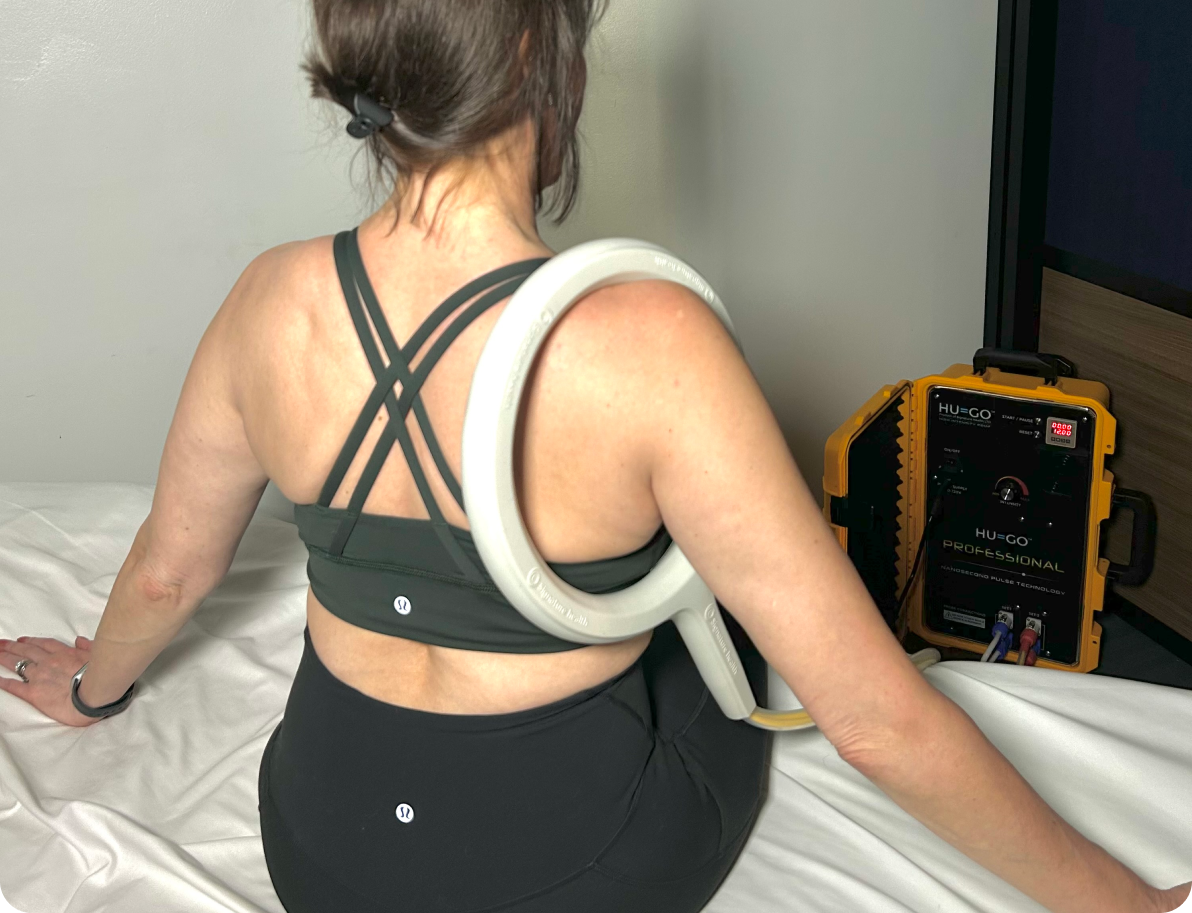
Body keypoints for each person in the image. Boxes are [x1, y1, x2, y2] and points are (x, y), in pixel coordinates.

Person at [0, 1, 1188, 911]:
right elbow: (875, 722)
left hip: (319, 850)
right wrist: (1132, 905)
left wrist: (96, 690)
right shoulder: (650, 339)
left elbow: (170, 569)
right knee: (715, 633)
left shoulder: (268, 300)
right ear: (535, 57)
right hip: (569, 876)